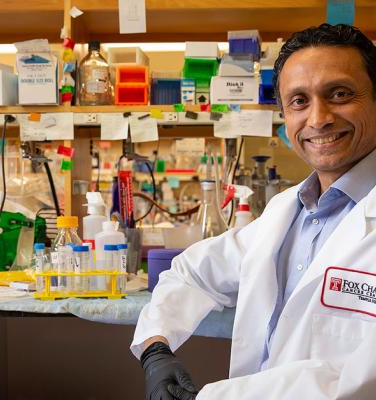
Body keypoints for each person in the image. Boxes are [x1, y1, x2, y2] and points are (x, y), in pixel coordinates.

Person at [131, 23, 376, 399]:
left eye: (339, 93)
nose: (318, 118)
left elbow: (361, 382)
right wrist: (156, 350)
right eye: (298, 101)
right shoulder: (287, 211)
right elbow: (191, 272)